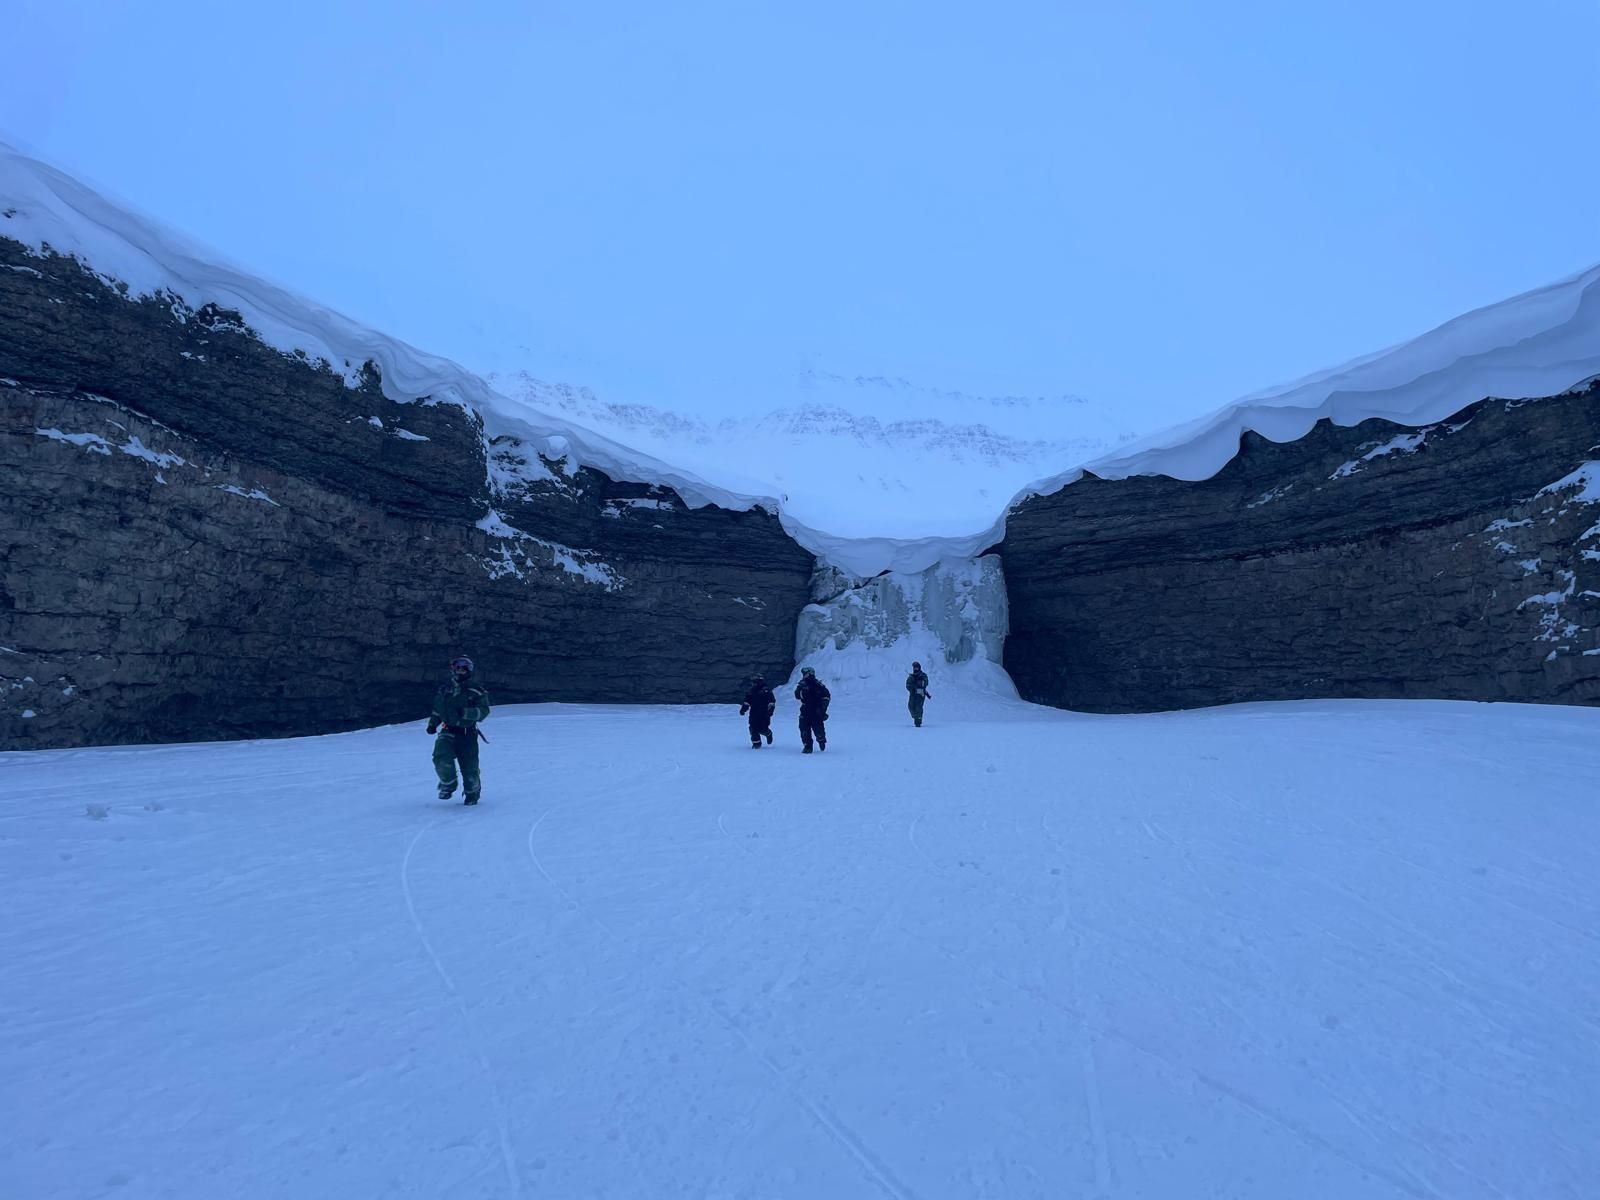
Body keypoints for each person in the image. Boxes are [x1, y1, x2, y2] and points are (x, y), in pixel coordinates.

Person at [427, 655, 491, 804]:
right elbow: (437, 709)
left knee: (469, 769)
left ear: (469, 670)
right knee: (440, 757)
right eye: (457, 666)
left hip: (467, 734)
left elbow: (484, 710)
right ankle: (448, 785)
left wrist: (467, 713)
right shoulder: (445, 690)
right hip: (447, 731)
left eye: (464, 667)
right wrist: (432, 724)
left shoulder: (476, 690)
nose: (460, 669)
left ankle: (472, 794)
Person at [794, 666, 830, 753]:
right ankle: (807, 746)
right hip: (805, 710)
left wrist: (822, 708)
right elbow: (797, 696)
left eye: (805, 674)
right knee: (804, 729)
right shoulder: (802, 684)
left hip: (816, 711)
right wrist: (801, 689)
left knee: (818, 729)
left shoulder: (818, 684)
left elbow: (826, 696)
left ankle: (821, 740)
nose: (804, 676)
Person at [739, 674, 776, 748]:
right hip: (754, 712)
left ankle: (768, 734)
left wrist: (770, 710)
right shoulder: (751, 691)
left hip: (764, 712)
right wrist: (743, 709)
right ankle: (756, 744)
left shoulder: (766, 690)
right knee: (753, 728)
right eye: (753, 682)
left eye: (755, 682)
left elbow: (771, 701)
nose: (753, 684)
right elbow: (747, 701)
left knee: (762, 728)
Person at [906, 661, 931, 727]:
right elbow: (907, 685)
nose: (915, 669)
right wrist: (912, 687)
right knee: (910, 706)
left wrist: (920, 683)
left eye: (917, 667)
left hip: (920, 693)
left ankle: (918, 721)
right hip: (913, 693)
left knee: (918, 707)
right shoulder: (911, 676)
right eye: (914, 668)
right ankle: (915, 717)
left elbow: (925, 683)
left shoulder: (923, 675)